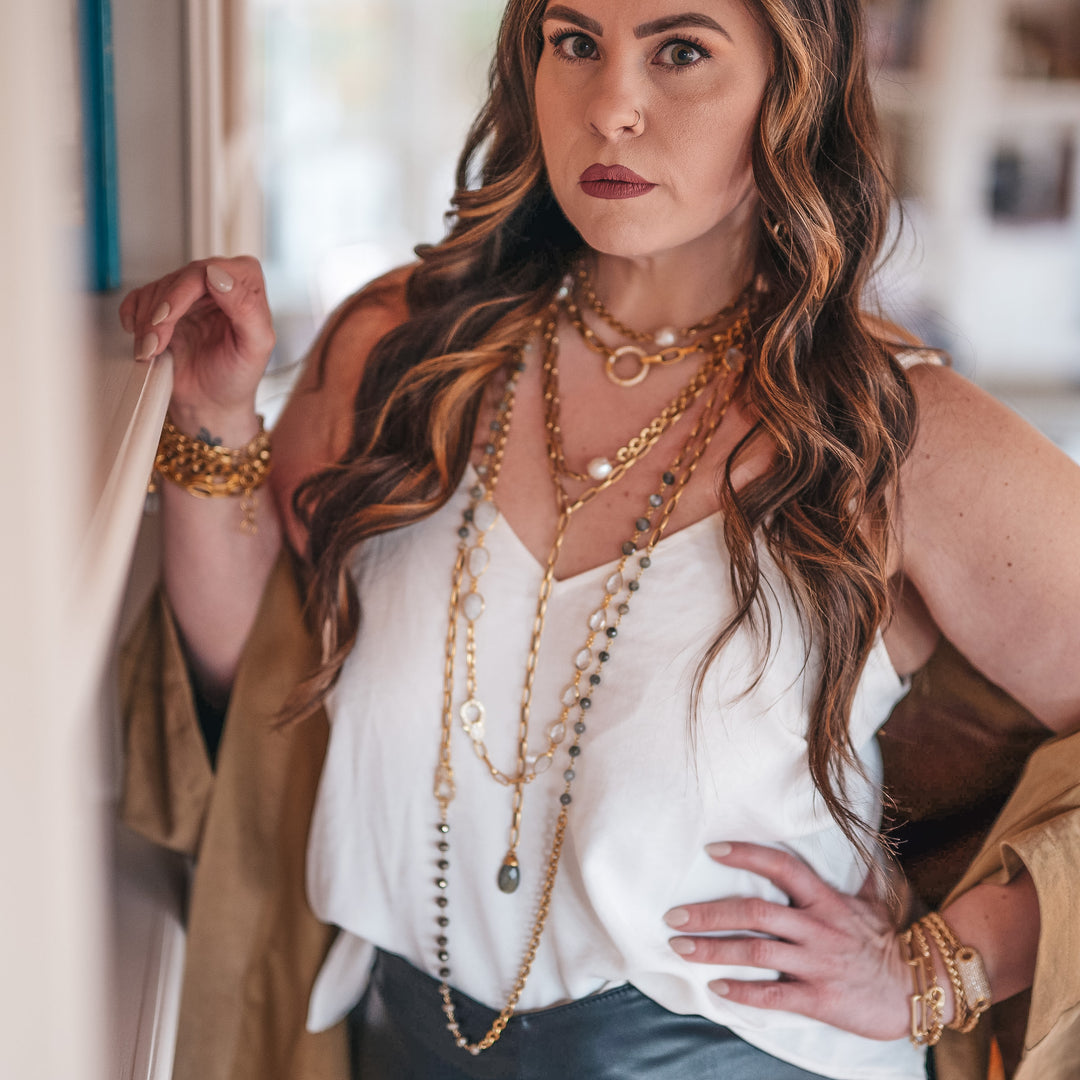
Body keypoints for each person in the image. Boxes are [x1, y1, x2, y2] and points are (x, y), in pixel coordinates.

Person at [118, 0, 1080, 1077]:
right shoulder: (403, 352)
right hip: (390, 1046)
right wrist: (212, 417)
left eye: (681, 52)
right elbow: (260, 685)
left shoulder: (897, 439)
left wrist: (945, 967)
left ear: (793, 88)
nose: (612, 107)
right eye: (575, 43)